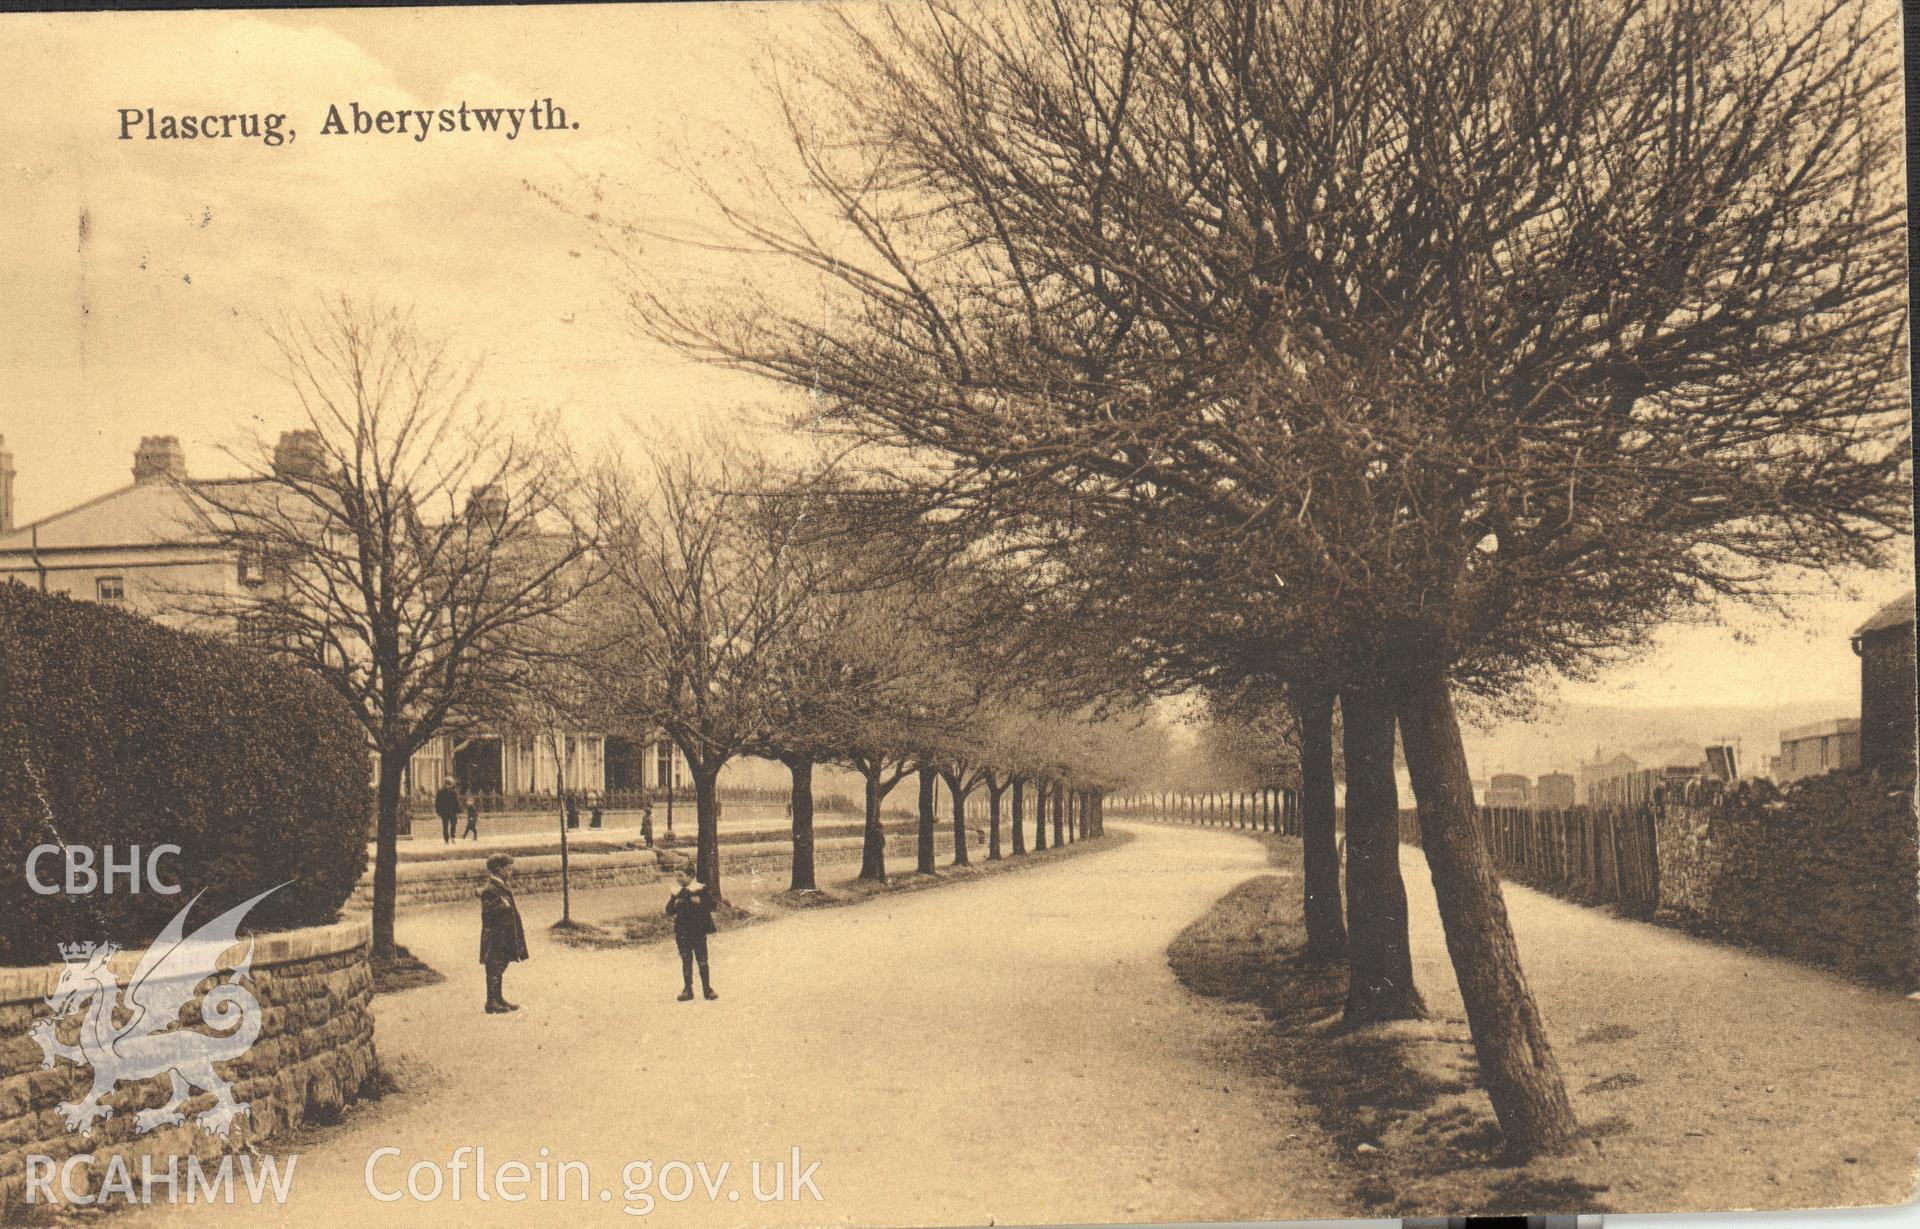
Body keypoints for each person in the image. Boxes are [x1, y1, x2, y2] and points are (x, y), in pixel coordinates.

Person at [477, 853, 529, 1014]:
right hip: (495, 936)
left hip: (504, 934)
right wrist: (502, 906)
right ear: (499, 869)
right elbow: (487, 912)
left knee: (501, 964)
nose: (510, 872)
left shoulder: (500, 886)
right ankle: (491, 1001)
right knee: (494, 966)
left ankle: (498, 998)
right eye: (508, 869)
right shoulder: (490, 889)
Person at [664, 870, 718, 1001]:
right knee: (686, 960)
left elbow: (713, 905)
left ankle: (707, 988)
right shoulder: (677, 892)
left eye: (681, 875)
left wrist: (700, 901)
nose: (678, 878)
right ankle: (688, 989)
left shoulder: (700, 889)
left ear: (691, 876)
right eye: (676, 875)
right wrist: (674, 904)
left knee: (702, 960)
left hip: (698, 930)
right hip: (682, 931)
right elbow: (668, 911)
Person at [434, 778, 461, 844]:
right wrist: (438, 812)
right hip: (444, 812)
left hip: (453, 811)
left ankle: (453, 837)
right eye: (449, 785)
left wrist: (459, 812)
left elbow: (456, 802)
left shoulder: (453, 792)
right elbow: (437, 802)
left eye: (451, 785)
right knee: (445, 826)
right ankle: (446, 839)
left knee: (453, 825)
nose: (450, 786)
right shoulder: (440, 791)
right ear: (446, 784)